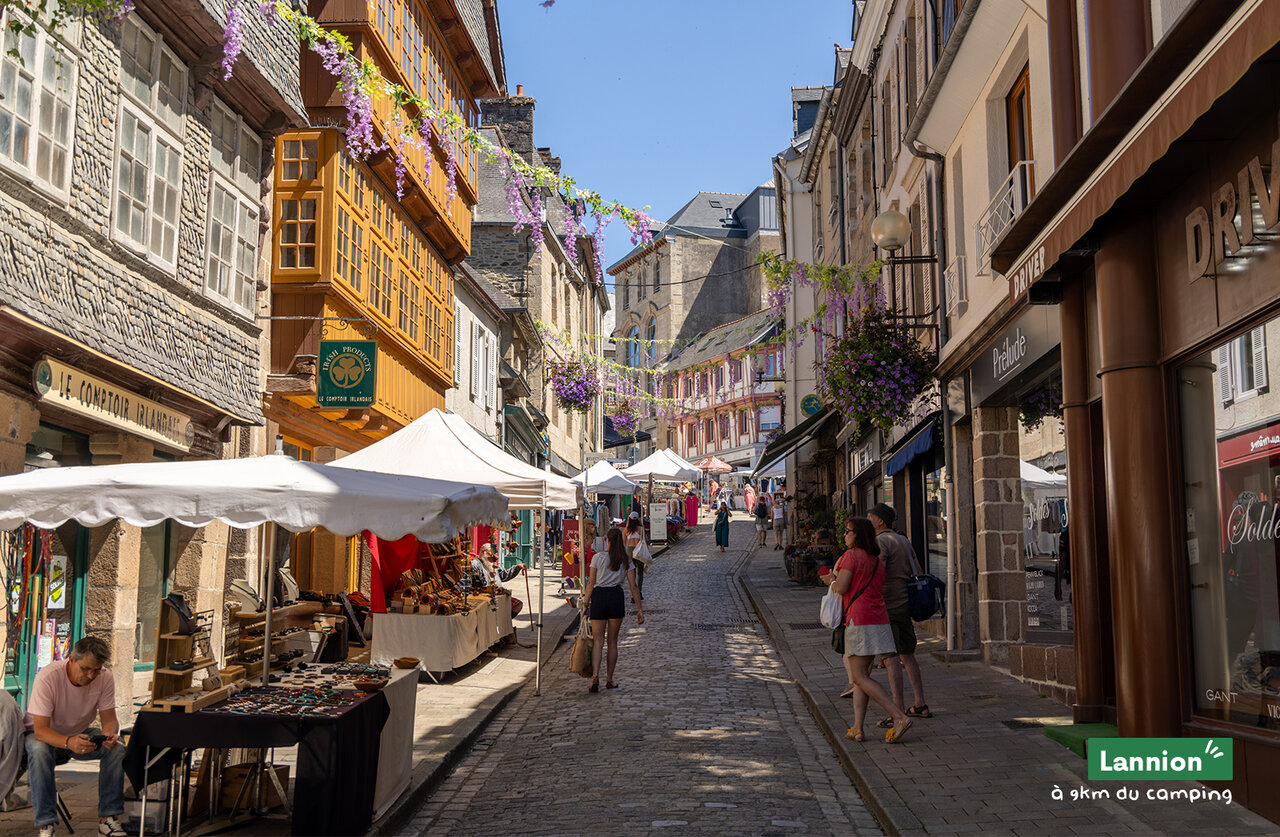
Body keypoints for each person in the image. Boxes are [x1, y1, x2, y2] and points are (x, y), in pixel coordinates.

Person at [23, 636, 128, 837]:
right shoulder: (48, 677)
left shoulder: (104, 677)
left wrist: (108, 734)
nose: (90, 675)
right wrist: (68, 742)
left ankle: (108, 819)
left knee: (117, 748)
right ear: (71, 659)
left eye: (96, 670)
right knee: (38, 750)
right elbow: (40, 730)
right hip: (44, 735)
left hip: (78, 734)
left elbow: (109, 719)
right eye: (85, 669)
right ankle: (46, 825)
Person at [822, 518, 911, 744]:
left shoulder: (851, 556)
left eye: (848, 531)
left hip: (859, 620)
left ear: (858, 534)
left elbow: (842, 588)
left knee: (858, 677)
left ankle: (899, 716)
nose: (845, 535)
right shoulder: (876, 561)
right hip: (878, 619)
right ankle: (858, 727)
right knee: (862, 677)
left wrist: (829, 581)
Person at [868, 503, 931, 722]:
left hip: (887, 606)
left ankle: (898, 711)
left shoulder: (880, 541)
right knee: (908, 654)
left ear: (880, 521)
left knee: (891, 658)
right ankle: (920, 703)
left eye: (871, 517)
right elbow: (919, 571)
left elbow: (877, 572)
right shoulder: (903, 540)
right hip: (905, 605)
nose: (868, 521)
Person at [582, 527, 645, 692]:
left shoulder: (597, 558)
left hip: (599, 596)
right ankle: (609, 679)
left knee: (597, 641)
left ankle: (595, 676)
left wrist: (585, 603)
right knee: (612, 641)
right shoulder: (625, 561)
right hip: (615, 597)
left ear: (607, 541)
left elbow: (591, 582)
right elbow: (633, 586)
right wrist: (639, 609)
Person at [624, 512, 648, 602]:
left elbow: (623, 543)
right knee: (640, 573)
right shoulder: (641, 529)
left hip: (630, 551)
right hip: (639, 551)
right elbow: (645, 541)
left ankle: (633, 595)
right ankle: (639, 592)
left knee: (631, 574)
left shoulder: (626, 530)